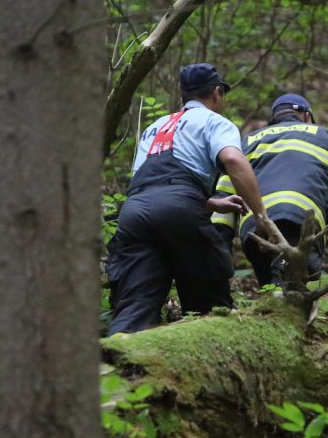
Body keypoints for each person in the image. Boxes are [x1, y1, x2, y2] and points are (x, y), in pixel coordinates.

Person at [106, 63, 272, 335]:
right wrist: (261, 216)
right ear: (217, 93)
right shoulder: (215, 122)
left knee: (134, 306)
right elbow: (232, 159)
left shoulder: (155, 126)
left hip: (134, 213)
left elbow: (152, 183)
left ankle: (117, 358)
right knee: (209, 303)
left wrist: (209, 203)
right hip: (180, 207)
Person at [211, 93, 328, 286]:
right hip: (301, 223)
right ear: (307, 116)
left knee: (273, 289)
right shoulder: (327, 136)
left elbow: (222, 207)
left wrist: (219, 263)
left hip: (256, 229)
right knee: (298, 294)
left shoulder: (245, 142)